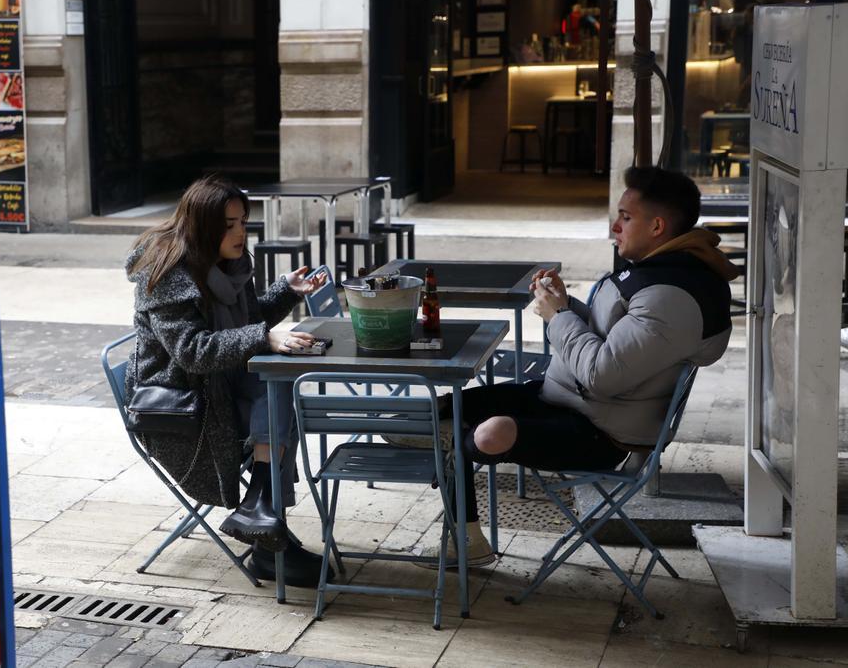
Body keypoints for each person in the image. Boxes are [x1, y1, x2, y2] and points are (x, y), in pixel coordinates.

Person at [406, 166, 739, 567]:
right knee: (445, 408)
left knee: (489, 432)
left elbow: (603, 374)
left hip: (602, 434)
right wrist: (567, 304)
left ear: (657, 226)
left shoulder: (671, 296)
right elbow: (615, 335)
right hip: (567, 400)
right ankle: (455, 494)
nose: (615, 227)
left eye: (625, 218)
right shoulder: (662, 273)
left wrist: (558, 315)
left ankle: (461, 522)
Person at [124, 175, 331, 587]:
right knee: (275, 388)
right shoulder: (166, 273)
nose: (240, 233)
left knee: (277, 383)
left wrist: (287, 292)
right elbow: (192, 352)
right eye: (230, 224)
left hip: (217, 385)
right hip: (179, 404)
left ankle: (262, 516)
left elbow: (245, 325)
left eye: (243, 222)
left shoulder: (229, 266)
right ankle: (267, 529)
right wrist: (265, 337)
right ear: (202, 226)